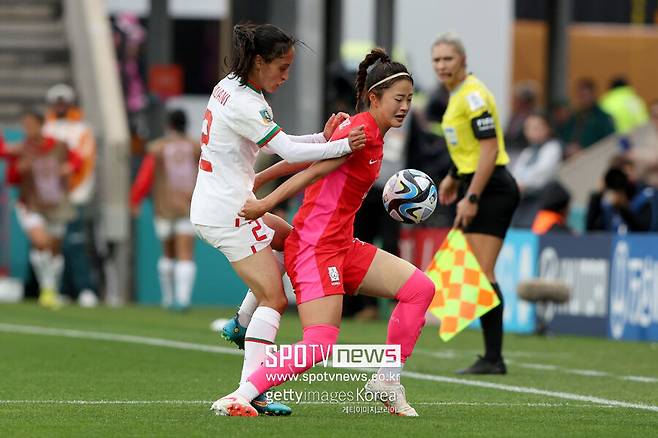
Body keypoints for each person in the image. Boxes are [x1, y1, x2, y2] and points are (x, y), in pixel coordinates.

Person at [211, 48, 435, 417]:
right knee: (320, 343)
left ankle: (387, 380)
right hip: (316, 249)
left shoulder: (372, 133)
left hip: (341, 245)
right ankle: (241, 394)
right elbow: (311, 172)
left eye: (410, 99)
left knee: (419, 289)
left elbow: (306, 159)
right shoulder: (361, 129)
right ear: (374, 98)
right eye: (398, 99)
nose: (405, 107)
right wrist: (264, 202)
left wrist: (259, 178)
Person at [189, 23, 366, 416]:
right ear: (258, 61)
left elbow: (279, 142)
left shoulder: (231, 88)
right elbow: (284, 149)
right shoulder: (246, 104)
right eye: (282, 67)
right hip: (229, 213)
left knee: (293, 242)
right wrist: (343, 146)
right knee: (275, 297)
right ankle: (249, 393)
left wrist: (323, 139)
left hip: (224, 203)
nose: (285, 76)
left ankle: (240, 323)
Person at [432, 32, 520, 375]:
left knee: (482, 274)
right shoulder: (457, 96)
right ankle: (491, 356)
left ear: (463, 61)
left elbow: (489, 150)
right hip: (476, 184)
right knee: (476, 273)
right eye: (437, 60)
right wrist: (455, 176)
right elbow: (469, 149)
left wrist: (472, 196)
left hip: (493, 188)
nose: (442, 65)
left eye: (448, 59)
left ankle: (494, 358)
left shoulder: (472, 96)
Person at [4, 111, 81, 308]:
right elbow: (12, 178)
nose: (27, 129)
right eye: (25, 125)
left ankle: (52, 288)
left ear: (40, 124)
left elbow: (77, 161)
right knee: (41, 242)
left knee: (54, 249)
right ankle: (46, 288)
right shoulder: (22, 149)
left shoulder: (58, 146)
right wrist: (19, 169)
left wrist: (69, 168)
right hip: (30, 203)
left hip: (55, 203)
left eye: (30, 124)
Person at [130, 109, 200, 310]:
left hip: (164, 207)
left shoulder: (157, 148)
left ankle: (168, 299)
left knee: (168, 253)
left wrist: (135, 200)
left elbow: (145, 176)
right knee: (186, 252)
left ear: (168, 125)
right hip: (189, 206)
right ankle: (183, 299)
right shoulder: (196, 147)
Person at [43, 84, 99, 307]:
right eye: (57, 103)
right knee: (56, 244)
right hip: (52, 197)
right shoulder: (47, 128)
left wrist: (77, 190)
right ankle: (63, 288)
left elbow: (85, 162)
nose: (60, 107)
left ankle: (85, 287)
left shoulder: (81, 129)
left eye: (63, 102)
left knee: (75, 242)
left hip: (73, 194)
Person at [510, 111, 563, 228]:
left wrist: (524, 184)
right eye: (529, 128)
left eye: (537, 127)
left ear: (547, 128)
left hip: (543, 199)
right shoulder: (527, 152)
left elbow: (543, 173)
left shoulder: (553, 147)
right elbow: (516, 172)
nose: (533, 131)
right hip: (523, 199)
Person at [559, 78, 615, 159]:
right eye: (580, 95)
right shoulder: (575, 116)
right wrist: (567, 147)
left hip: (592, 160)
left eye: (585, 95)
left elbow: (608, 142)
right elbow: (565, 135)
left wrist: (584, 149)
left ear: (593, 94)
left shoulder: (603, 118)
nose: (582, 99)